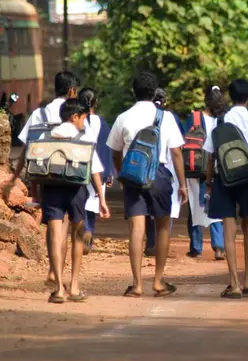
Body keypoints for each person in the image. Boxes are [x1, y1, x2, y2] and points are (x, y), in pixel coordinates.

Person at [107, 72, 188, 298]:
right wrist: (182, 184)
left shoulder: (123, 117)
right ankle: (159, 281)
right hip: (160, 175)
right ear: (154, 92)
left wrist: (123, 172)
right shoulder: (166, 117)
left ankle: (137, 284)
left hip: (133, 175)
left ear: (134, 91)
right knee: (162, 226)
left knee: (136, 229)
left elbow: (114, 151)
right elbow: (176, 153)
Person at [9, 71, 82, 288]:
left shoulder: (40, 113)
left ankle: (53, 270)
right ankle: (57, 272)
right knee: (66, 223)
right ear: (71, 91)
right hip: (69, 175)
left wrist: (16, 176)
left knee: (52, 223)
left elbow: (26, 147)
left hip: (43, 177)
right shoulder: (74, 114)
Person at [203, 79, 248, 299]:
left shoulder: (220, 120)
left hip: (223, 177)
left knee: (228, 229)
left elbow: (210, 154)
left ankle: (233, 284)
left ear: (231, 97)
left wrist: (208, 181)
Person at [39, 99, 110, 303]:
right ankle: (75, 286)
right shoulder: (84, 136)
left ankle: (59, 289)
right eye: (83, 118)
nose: (84, 123)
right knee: (77, 234)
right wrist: (101, 198)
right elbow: (95, 169)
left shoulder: (48, 134)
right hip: (77, 190)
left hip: (52, 188)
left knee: (54, 234)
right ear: (74, 117)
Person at [184, 86, 225, 260]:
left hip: (196, 169)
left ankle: (196, 248)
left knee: (195, 207)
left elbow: (181, 141)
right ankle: (219, 247)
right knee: (215, 207)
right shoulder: (223, 120)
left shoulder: (194, 118)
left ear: (206, 101)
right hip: (217, 169)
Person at [143, 88, 185, 257]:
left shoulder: (142, 115)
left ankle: (151, 241)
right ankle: (161, 244)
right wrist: (183, 184)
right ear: (165, 101)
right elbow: (178, 149)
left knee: (146, 207)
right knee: (166, 210)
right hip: (166, 169)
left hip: (144, 167)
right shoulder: (171, 117)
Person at [79, 88, 114, 255]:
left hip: (78, 170)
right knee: (93, 206)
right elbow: (108, 150)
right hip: (98, 172)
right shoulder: (103, 124)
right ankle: (89, 235)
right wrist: (109, 173)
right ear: (95, 103)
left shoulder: (76, 121)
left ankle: (82, 232)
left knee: (80, 206)